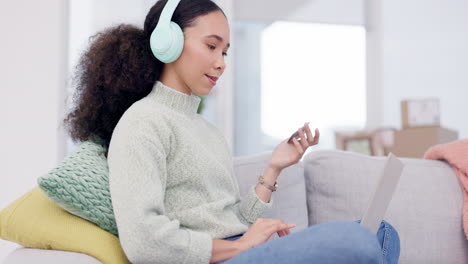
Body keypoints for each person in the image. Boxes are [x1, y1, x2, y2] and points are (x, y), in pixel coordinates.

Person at [64, 0, 400, 263]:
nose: (222, 62)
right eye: (211, 46)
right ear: (168, 42)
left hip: (238, 251)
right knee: (355, 242)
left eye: (224, 51)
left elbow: (232, 219)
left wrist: (274, 167)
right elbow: (143, 240)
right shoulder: (142, 122)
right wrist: (239, 250)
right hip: (214, 258)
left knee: (382, 234)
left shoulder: (207, 131)